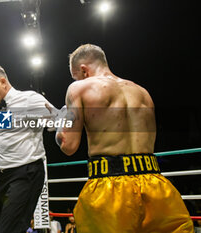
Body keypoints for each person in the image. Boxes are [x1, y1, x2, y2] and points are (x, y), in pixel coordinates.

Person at [54, 43, 194, 232]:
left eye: (75, 76)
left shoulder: (78, 88)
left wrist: (60, 122)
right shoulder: (142, 92)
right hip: (155, 185)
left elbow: (68, 145)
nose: (75, 80)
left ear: (83, 70)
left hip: (110, 188)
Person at [0, 64, 51, 233]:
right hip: (4, 176)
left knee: (10, 229)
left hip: (25, 173)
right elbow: (1, 142)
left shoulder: (29, 98)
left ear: (2, 81)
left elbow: (60, 120)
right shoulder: (4, 110)